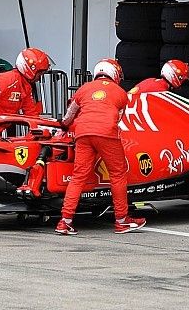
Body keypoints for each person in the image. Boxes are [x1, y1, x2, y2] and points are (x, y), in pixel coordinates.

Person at [55, 58, 146, 235]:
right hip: (107, 134)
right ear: (114, 74)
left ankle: (64, 222)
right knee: (118, 175)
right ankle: (121, 221)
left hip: (82, 134)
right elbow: (119, 119)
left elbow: (68, 117)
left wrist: (65, 126)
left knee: (78, 177)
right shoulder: (121, 93)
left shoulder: (83, 89)